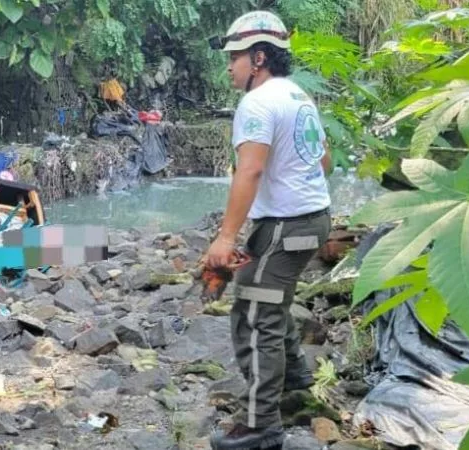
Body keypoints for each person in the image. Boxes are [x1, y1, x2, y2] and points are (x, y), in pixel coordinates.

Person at [205, 10, 333, 450]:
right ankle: (296, 385)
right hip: (310, 218)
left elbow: (251, 170)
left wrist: (225, 238)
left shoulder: (257, 103)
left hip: (286, 223)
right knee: (267, 301)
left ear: (259, 58)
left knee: (255, 316)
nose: (229, 66)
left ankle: (263, 428)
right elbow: (324, 161)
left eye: (235, 57)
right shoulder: (298, 95)